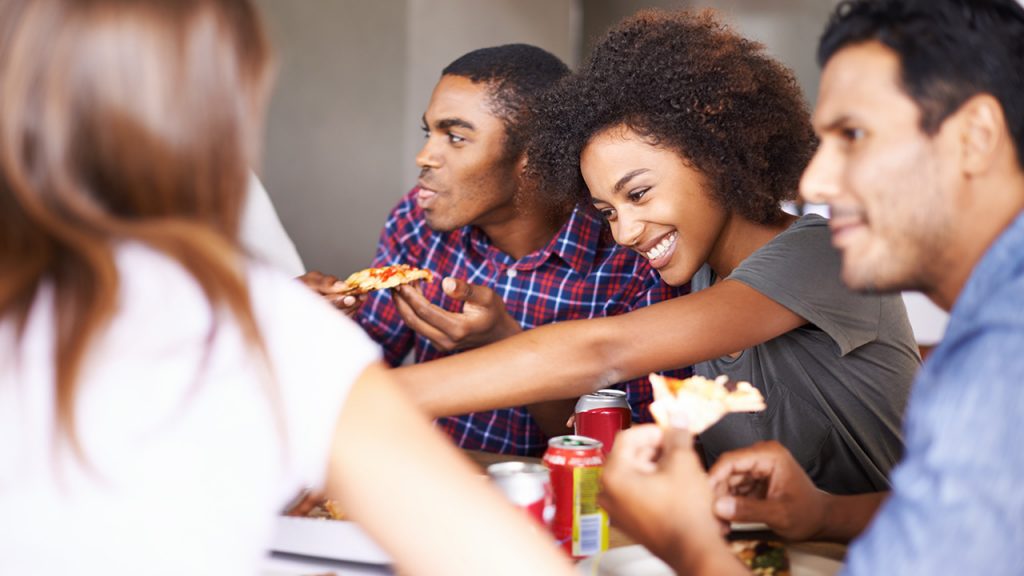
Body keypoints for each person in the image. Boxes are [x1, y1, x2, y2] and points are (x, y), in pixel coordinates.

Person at [0, 1, 579, 575]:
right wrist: (312, 346)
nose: (423, 158)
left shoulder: (616, 247)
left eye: (453, 137)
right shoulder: (264, 324)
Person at [393, 9, 919, 494]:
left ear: (714, 151)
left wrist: (370, 397)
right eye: (607, 211)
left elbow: (602, 351)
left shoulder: (822, 256)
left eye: (638, 193)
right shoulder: (696, 281)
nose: (623, 232)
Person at [599, 0, 1024, 574]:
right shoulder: (984, 333)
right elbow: (953, 520)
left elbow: (602, 350)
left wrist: (687, 544)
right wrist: (821, 513)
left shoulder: (1003, 355)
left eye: (854, 134)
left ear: (975, 136)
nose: (818, 179)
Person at [302, 44, 687, 457]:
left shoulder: (632, 260)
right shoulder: (417, 223)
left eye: (455, 136)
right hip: (426, 478)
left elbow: (631, 454)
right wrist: (305, 323)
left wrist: (505, 343)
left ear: (532, 157)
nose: (425, 156)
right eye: (427, 133)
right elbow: (359, 374)